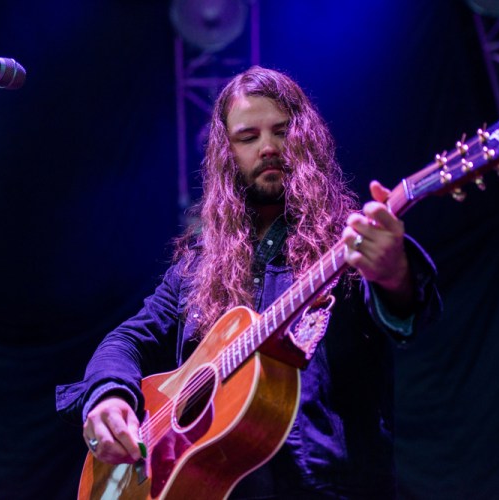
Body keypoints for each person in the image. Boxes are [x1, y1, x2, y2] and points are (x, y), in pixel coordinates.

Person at [56, 66, 441, 499]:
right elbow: (127, 339)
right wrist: (109, 396)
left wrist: (393, 272)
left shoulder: (346, 244)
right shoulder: (198, 266)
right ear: (227, 153)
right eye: (248, 137)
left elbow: (408, 309)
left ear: (306, 137)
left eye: (282, 131)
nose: (269, 147)